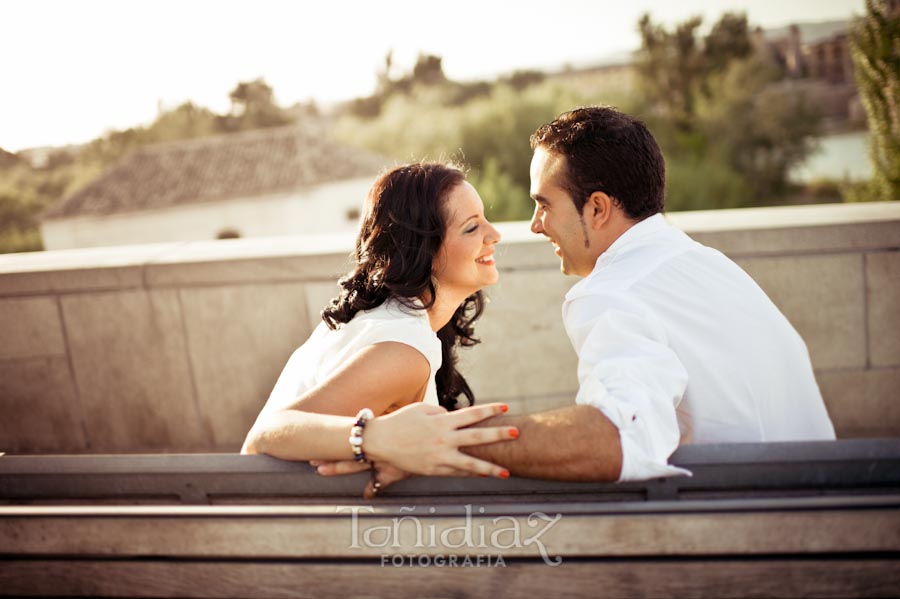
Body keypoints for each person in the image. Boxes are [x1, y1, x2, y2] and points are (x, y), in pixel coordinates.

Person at [319, 106, 836, 493]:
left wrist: (435, 440)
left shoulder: (614, 292)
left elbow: (615, 438)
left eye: (544, 204)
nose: (534, 224)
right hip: (830, 509)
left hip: (757, 538)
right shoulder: (707, 266)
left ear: (597, 209)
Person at [241, 162, 517, 481]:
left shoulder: (391, 317)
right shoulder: (402, 349)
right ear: (421, 252)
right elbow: (261, 439)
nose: (494, 234)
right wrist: (373, 439)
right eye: (471, 228)